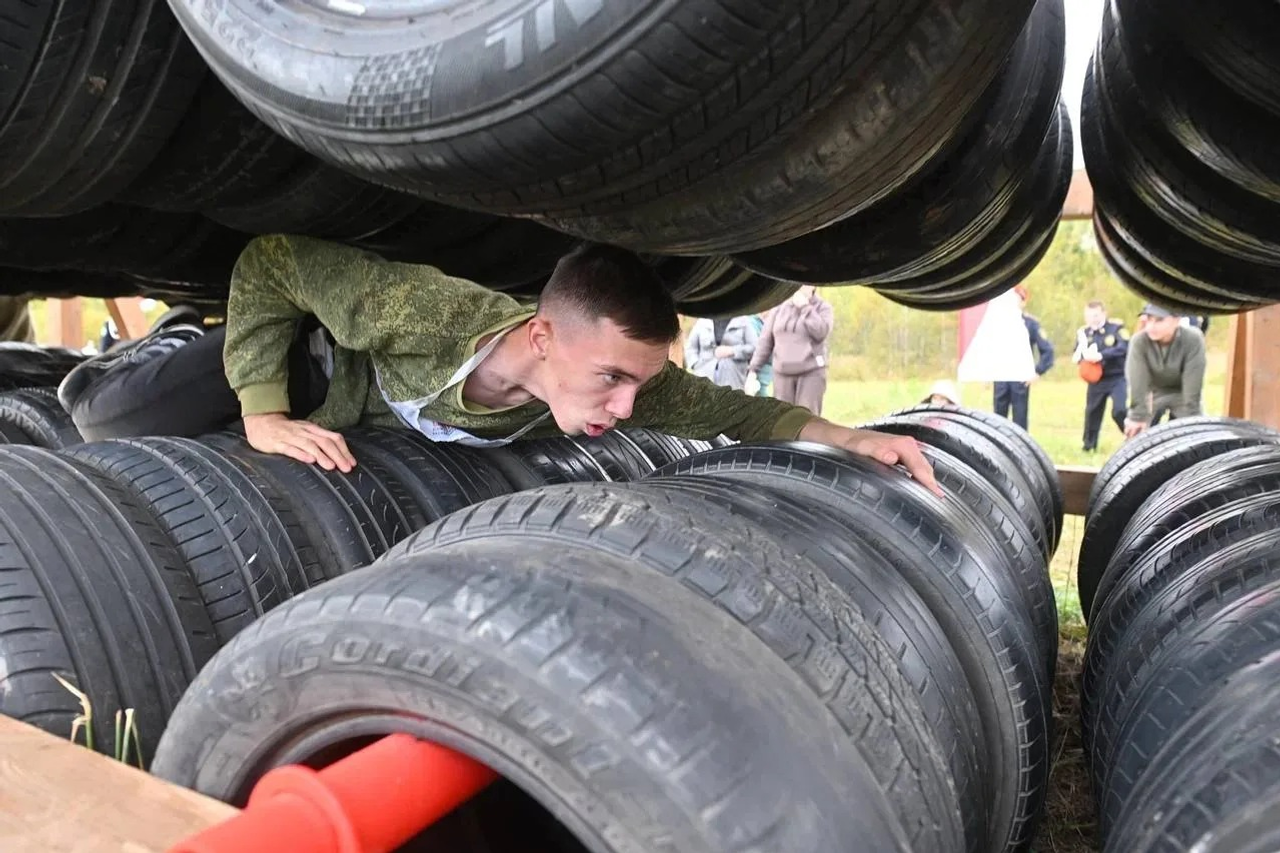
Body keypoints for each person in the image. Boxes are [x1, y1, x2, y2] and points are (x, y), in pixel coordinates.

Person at [61, 236, 941, 494]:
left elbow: (737, 411)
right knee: (104, 422)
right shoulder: (417, 310)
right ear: (544, 336)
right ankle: (171, 340)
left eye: (638, 382)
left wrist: (852, 438)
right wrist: (257, 408)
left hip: (354, 414)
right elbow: (273, 260)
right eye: (612, 381)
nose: (628, 408)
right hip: (304, 361)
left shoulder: (604, 381)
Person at [747, 285, 834, 415]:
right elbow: (765, 342)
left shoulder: (822, 307)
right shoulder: (779, 308)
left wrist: (805, 308)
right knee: (783, 420)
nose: (800, 287)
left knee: (807, 419)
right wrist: (753, 370)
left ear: (813, 286)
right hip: (782, 374)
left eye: (805, 283)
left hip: (810, 373)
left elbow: (821, 332)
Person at [1124, 303, 1207, 437]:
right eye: (1149, 319)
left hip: (1181, 392)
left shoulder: (1193, 339)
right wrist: (1138, 417)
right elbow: (1138, 381)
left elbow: (1193, 383)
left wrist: (1193, 420)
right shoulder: (1139, 341)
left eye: (1159, 320)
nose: (1151, 326)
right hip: (1153, 392)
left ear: (1177, 320)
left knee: (1195, 434)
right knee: (1136, 434)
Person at [992, 285, 1054, 430]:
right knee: (997, 420)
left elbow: (1047, 350)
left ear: (1023, 302)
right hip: (1001, 376)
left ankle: (1019, 450)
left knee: (1019, 420)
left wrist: (1038, 371)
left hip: (1020, 378)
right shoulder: (997, 323)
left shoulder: (1030, 324)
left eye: (1016, 299)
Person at [1072, 300, 1130, 452]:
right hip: (1096, 380)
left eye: (1096, 315)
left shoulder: (1116, 329)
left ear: (1104, 314)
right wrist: (1081, 358)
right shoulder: (1084, 333)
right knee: (1092, 412)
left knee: (1119, 410)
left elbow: (1124, 347)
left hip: (1117, 377)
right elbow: (1077, 353)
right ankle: (1089, 445)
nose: (1092, 319)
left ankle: (1133, 436)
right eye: (1089, 316)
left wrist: (1102, 355)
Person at [683, 315, 757, 391]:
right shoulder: (702, 321)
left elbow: (754, 347)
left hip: (734, 378)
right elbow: (690, 347)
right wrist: (695, 364)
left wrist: (732, 351)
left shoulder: (743, 321)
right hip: (704, 377)